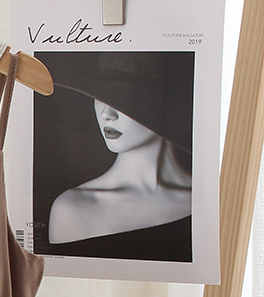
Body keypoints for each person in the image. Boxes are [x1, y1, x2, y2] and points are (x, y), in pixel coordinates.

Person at [48, 97, 192, 244]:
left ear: (166, 101)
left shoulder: (202, 199)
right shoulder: (73, 209)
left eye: (125, 97)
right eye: (100, 96)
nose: (106, 114)